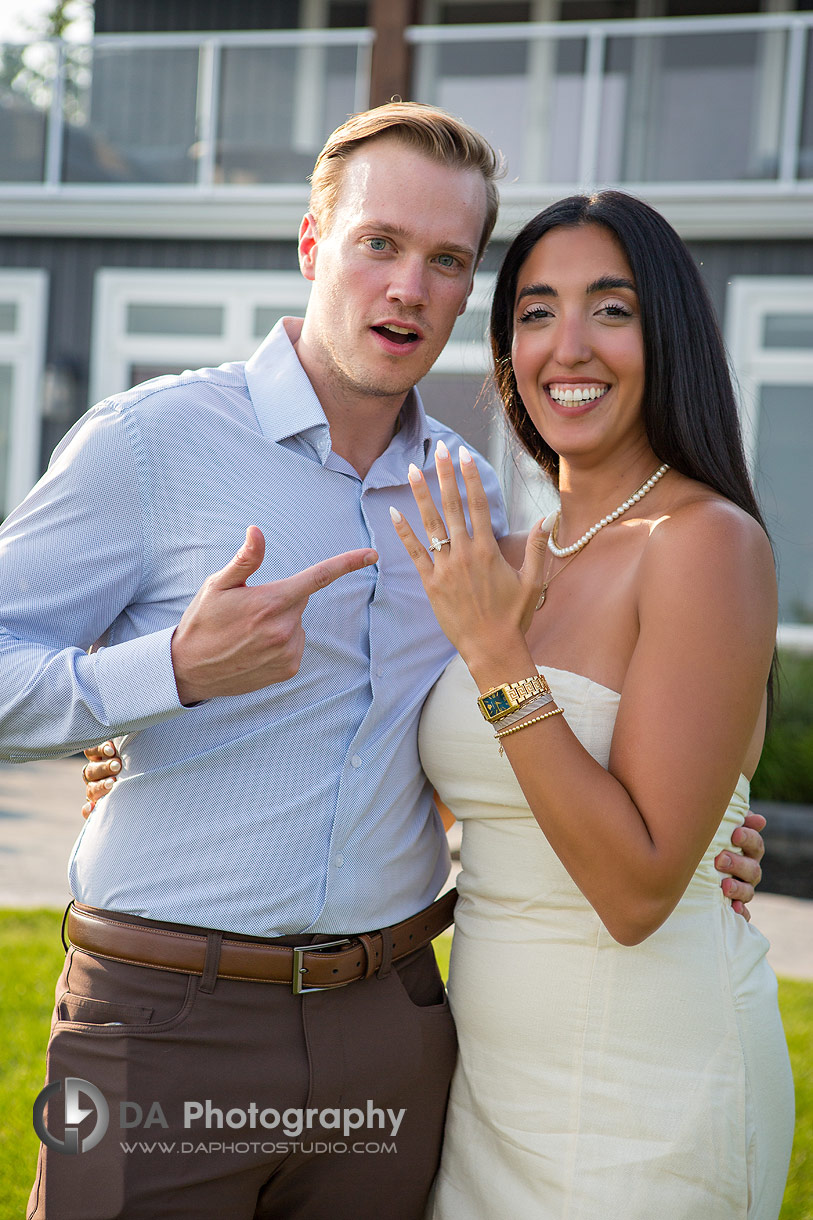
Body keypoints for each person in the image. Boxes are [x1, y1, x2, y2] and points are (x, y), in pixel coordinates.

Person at [0, 102, 763, 1219]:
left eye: (448, 259)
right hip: (166, 1018)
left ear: (467, 298)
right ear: (314, 245)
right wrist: (163, 674)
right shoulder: (150, 443)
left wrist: (709, 830)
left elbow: (469, 740)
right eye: (381, 243)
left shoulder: (473, 498)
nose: (410, 284)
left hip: (392, 1031)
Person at [389, 192, 795, 1218]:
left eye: (610, 309)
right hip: (483, 1088)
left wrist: (494, 655)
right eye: (534, 311)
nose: (567, 346)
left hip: (644, 1091)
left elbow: (638, 888)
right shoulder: (506, 559)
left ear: (669, 338)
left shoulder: (705, 544)